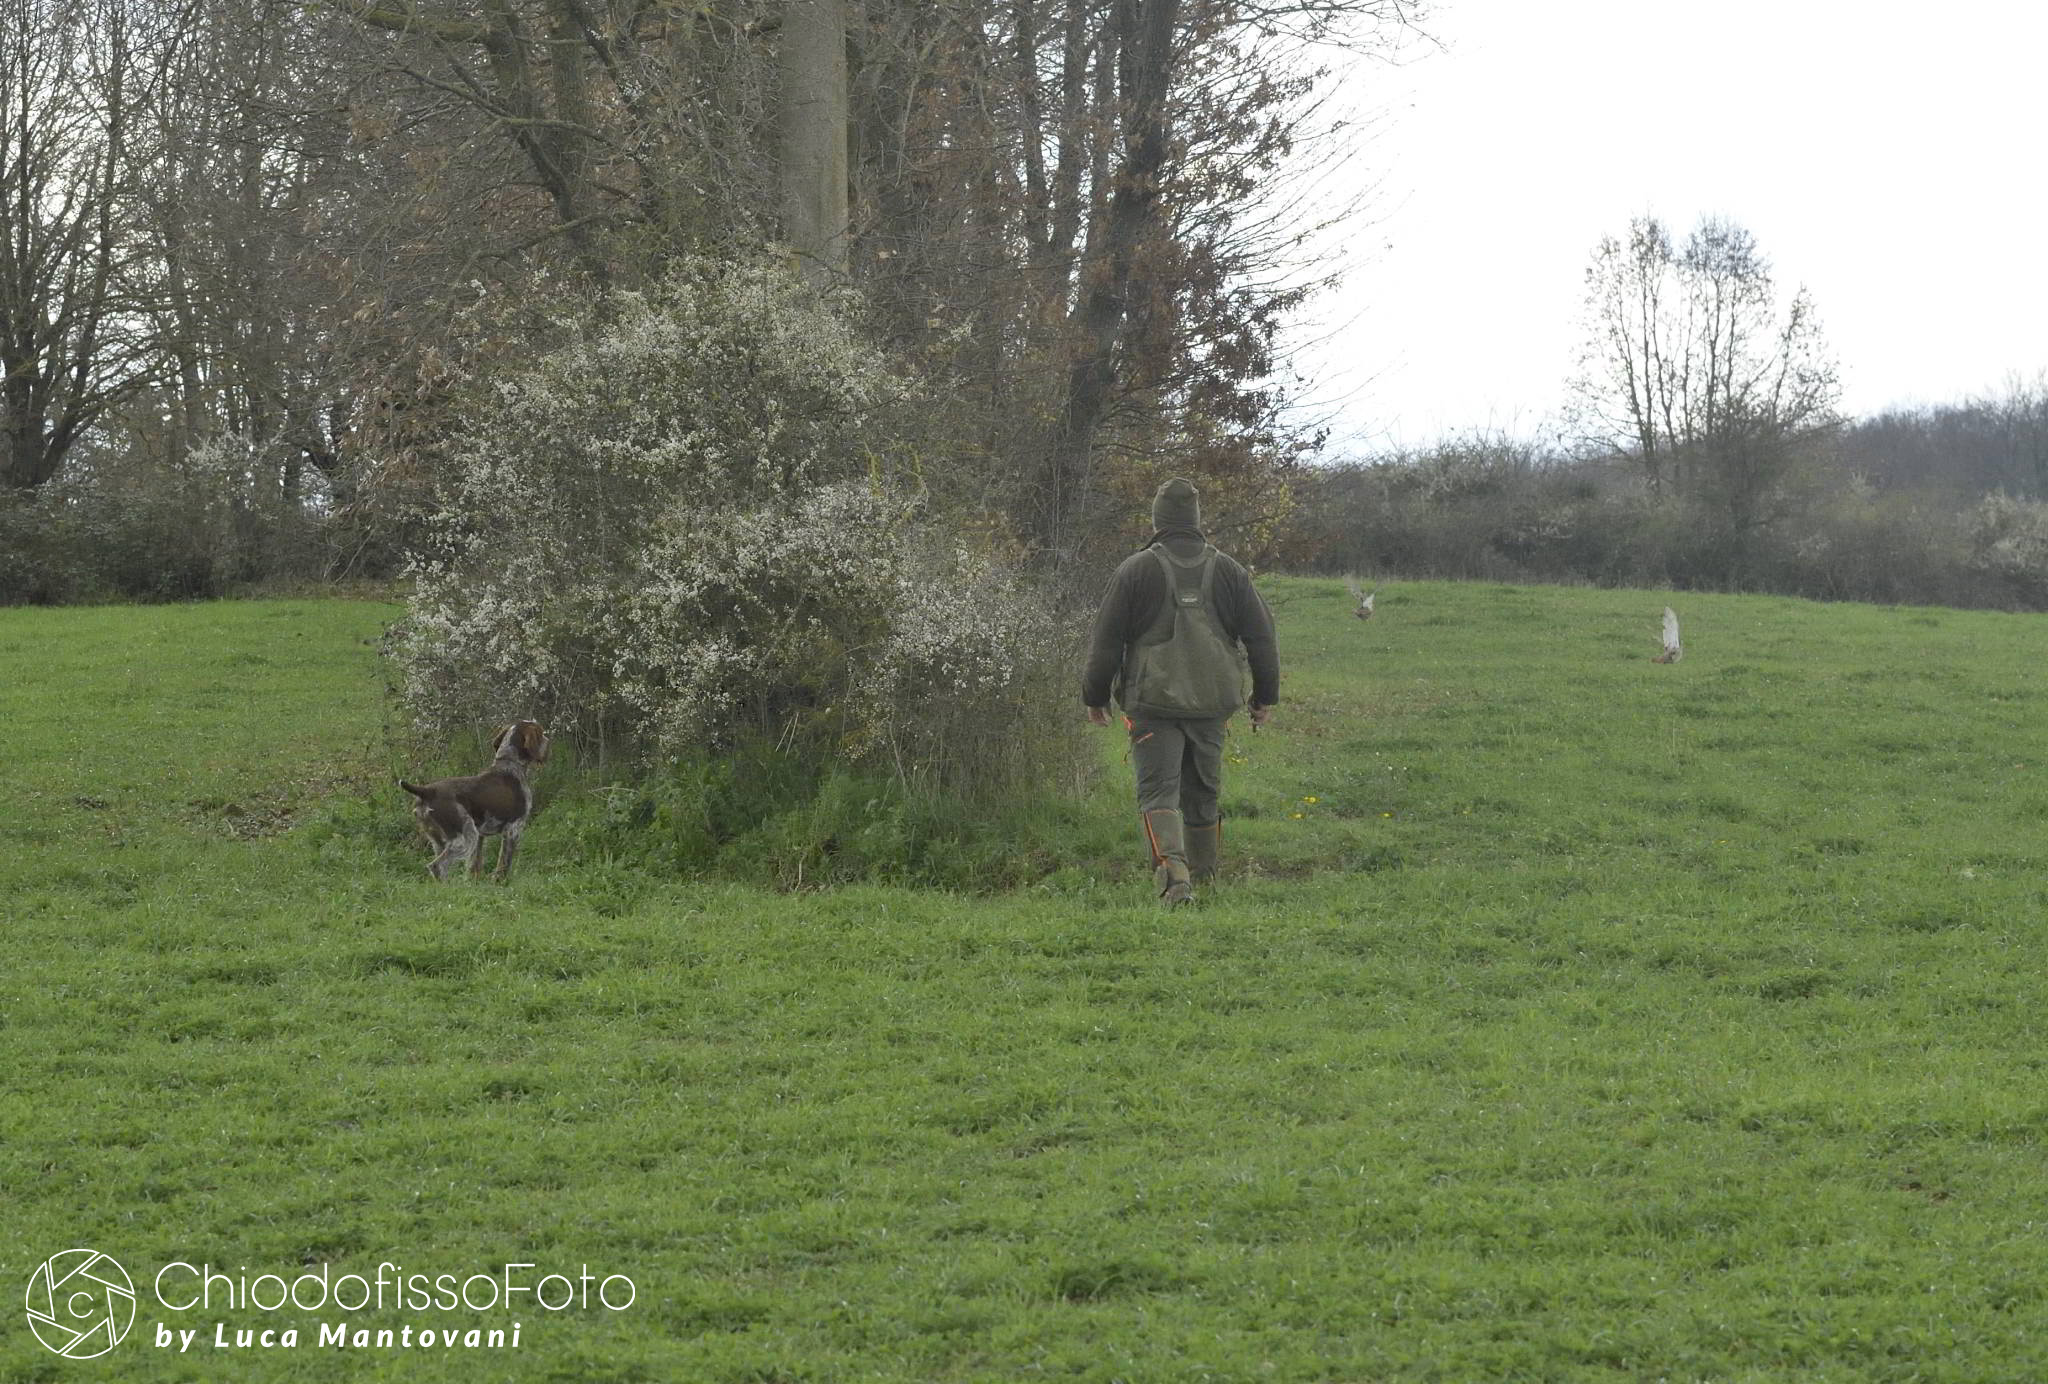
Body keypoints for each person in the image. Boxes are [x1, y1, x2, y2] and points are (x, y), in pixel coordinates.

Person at [1081, 477, 1279, 906]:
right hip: (1211, 704)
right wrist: (1264, 697)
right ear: (1195, 519)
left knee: (1158, 792)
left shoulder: (1136, 569)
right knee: (1203, 791)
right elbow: (1262, 638)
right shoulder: (1229, 571)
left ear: (1158, 521)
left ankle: (1175, 881)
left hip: (1152, 703)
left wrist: (1095, 696)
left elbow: (1107, 640)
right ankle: (1205, 877)